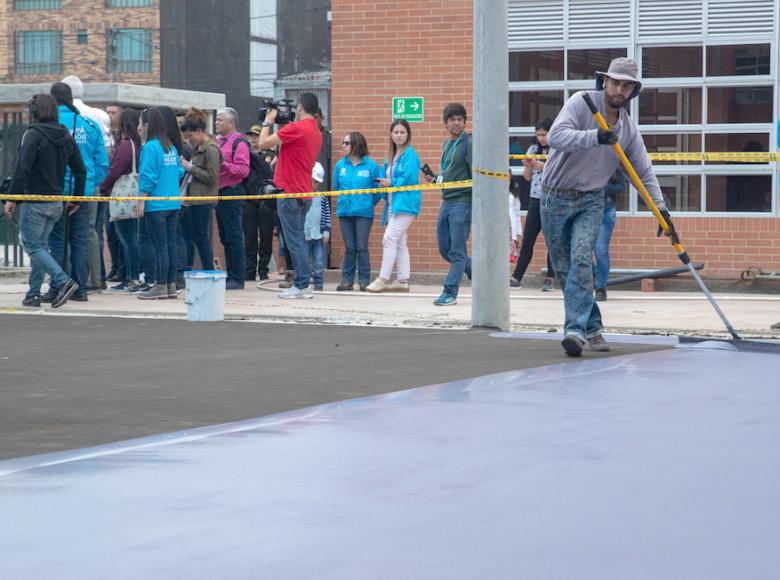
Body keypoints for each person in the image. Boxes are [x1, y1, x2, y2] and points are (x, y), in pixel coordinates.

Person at [541, 57, 676, 357]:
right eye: (615, 82)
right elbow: (555, 137)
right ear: (605, 81)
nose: (619, 89)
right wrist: (595, 137)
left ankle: (574, 331)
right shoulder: (581, 103)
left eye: (626, 85)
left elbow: (643, 172)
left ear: (632, 91)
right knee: (564, 269)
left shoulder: (627, 131)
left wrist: (661, 210)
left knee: (581, 259)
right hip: (554, 197)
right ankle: (593, 327)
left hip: (591, 199)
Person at [4, 94, 85, 308]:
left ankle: (63, 281)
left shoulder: (33, 134)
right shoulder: (66, 135)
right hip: (56, 201)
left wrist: (12, 198)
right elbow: (80, 170)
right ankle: (33, 294)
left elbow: (22, 168)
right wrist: (77, 198)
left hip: (35, 200)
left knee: (31, 245)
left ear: (35, 112)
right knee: (40, 247)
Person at [46, 81, 109, 303]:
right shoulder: (90, 125)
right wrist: (91, 184)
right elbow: (102, 164)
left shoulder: (51, 125)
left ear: (53, 99)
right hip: (85, 193)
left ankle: (59, 286)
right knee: (80, 240)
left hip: (58, 192)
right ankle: (81, 288)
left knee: (57, 242)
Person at [256, 92, 324, 299]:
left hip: (290, 192)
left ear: (300, 108)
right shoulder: (316, 132)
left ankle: (302, 284)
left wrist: (268, 121)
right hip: (304, 193)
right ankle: (303, 283)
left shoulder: (297, 128)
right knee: (299, 239)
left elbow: (262, 144)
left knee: (295, 241)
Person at [61, 75, 112, 291]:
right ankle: (90, 281)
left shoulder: (55, 117)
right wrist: (94, 183)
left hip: (60, 188)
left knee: (59, 238)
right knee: (88, 234)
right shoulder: (96, 117)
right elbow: (104, 158)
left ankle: (62, 282)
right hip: (89, 187)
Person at [425, 103, 472, 306]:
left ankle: (450, 291)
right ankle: (479, 274)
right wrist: (435, 178)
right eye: (452, 119)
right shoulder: (446, 144)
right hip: (447, 200)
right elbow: (448, 173)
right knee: (445, 249)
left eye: (460, 119)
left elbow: (476, 172)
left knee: (458, 251)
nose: (456, 123)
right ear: (445, 123)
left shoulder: (469, 143)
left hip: (462, 202)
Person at [366, 119, 421, 293]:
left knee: (389, 239)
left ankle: (383, 279)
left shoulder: (411, 156)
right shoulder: (391, 156)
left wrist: (390, 182)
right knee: (399, 242)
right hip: (393, 203)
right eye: (396, 132)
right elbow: (386, 177)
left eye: (402, 132)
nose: (399, 135)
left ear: (408, 134)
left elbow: (408, 179)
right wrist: (382, 182)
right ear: (391, 134)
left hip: (405, 203)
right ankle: (403, 280)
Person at [135, 107, 184, 300]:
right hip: (173, 202)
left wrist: (141, 201)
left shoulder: (150, 148)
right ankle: (170, 284)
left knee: (160, 247)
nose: (139, 127)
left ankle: (161, 285)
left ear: (147, 125)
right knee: (170, 245)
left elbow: (147, 177)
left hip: (156, 205)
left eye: (141, 123)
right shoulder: (169, 146)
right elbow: (180, 172)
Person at [99, 108, 143, 293]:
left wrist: (102, 187)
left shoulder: (127, 145)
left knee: (128, 239)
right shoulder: (137, 144)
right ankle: (132, 276)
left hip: (125, 198)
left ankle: (132, 277)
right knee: (131, 238)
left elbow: (115, 170)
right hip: (133, 197)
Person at [510, 118, 555, 291]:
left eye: (544, 134)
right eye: (538, 135)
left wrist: (544, 166)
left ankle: (550, 277)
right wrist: (528, 166)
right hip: (535, 198)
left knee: (552, 240)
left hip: (552, 198)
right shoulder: (532, 149)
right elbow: (527, 178)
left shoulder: (558, 149)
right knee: (528, 239)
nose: (542, 138)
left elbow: (560, 174)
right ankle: (516, 277)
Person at [333, 131, 382, 291]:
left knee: (361, 247)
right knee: (349, 247)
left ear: (356, 145)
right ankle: (347, 281)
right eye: (343, 143)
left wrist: (366, 203)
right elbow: (336, 187)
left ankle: (364, 281)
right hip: (345, 212)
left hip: (364, 214)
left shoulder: (371, 166)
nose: (343, 146)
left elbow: (378, 190)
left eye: (347, 143)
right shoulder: (340, 165)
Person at [179, 107, 221, 271]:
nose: (189, 140)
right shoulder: (199, 149)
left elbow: (212, 177)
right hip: (193, 199)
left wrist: (190, 168)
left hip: (203, 200)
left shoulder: (211, 149)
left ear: (199, 130)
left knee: (202, 239)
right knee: (197, 238)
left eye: (190, 136)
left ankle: (209, 272)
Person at [215, 107, 250, 290]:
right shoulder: (219, 142)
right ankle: (230, 275)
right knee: (225, 237)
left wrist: (224, 164)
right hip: (219, 193)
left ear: (231, 122)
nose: (217, 122)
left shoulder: (239, 142)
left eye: (220, 120)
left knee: (234, 236)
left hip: (232, 192)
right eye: (217, 120)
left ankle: (238, 277)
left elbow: (243, 171)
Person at [243, 124, 275, 281]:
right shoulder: (244, 156)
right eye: (251, 136)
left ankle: (263, 270)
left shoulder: (269, 154)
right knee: (249, 238)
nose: (253, 138)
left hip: (265, 201)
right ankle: (249, 271)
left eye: (256, 135)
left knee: (266, 237)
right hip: (249, 199)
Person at [593, 170, 626, 301]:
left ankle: (601, 288)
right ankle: (589, 279)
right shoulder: (587, 159)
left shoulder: (615, 164)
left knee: (600, 251)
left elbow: (621, 187)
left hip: (606, 210)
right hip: (585, 210)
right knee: (581, 249)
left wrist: (603, 186)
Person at [104, 102, 126, 282]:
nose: (110, 115)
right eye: (108, 112)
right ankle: (115, 267)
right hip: (107, 192)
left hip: (120, 191)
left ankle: (124, 270)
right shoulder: (105, 134)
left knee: (121, 235)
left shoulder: (123, 139)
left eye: (114, 112)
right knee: (110, 233)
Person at [304, 163, 331, 291]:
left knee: (319, 262)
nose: (313, 185)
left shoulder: (322, 197)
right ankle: (305, 281)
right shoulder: (300, 196)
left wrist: (326, 231)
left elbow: (326, 215)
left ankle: (319, 283)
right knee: (305, 261)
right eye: (311, 181)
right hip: (304, 235)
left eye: (315, 182)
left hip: (318, 236)